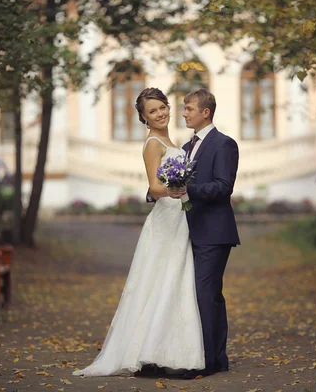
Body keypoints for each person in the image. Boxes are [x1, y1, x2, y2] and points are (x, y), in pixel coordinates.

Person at [73, 87, 205, 377]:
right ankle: (149, 353)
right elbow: (154, 188)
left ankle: (166, 350)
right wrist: (178, 188)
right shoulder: (153, 144)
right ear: (144, 118)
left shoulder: (174, 141)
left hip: (179, 218)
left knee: (174, 282)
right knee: (160, 281)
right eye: (152, 111)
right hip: (166, 220)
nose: (159, 114)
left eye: (162, 108)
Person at [180, 88, 240, 378]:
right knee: (206, 295)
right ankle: (215, 357)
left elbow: (223, 186)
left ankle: (208, 360)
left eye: (189, 108)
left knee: (206, 294)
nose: (184, 113)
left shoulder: (224, 144)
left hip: (215, 232)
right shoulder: (184, 148)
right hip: (188, 232)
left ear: (206, 112)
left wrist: (186, 189)